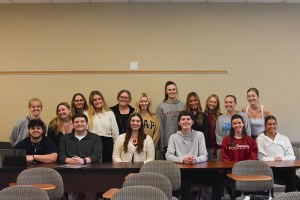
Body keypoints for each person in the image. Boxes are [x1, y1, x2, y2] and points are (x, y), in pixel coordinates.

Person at [166, 111, 224, 200]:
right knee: (183, 184)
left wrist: (195, 160)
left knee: (219, 180)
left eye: (188, 119)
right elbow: (168, 156)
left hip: (199, 171)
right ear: (179, 123)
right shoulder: (173, 137)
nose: (186, 121)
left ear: (192, 122)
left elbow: (204, 155)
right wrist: (183, 160)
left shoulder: (199, 135)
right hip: (183, 172)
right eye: (183, 119)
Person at [58, 113, 102, 200]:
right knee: (70, 192)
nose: (79, 123)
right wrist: (69, 160)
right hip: (70, 172)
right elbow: (61, 155)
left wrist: (83, 161)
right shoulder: (65, 138)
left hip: (90, 172)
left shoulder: (95, 138)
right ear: (73, 124)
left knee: (90, 193)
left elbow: (97, 156)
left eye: (82, 121)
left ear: (86, 123)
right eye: (76, 122)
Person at [256, 115, 300, 192]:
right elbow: (261, 158)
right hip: (270, 170)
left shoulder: (284, 138)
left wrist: (281, 159)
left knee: (292, 174)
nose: (272, 126)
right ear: (265, 126)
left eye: (274, 124)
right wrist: (274, 160)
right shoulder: (260, 139)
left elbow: (292, 156)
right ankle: (289, 196)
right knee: (293, 178)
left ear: (276, 125)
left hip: (285, 168)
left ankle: (289, 196)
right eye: (269, 124)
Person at [85, 90, 119, 162]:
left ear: (102, 100)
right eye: (95, 100)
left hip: (107, 142)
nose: (98, 101)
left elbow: (115, 132)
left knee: (107, 165)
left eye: (99, 99)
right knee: (93, 165)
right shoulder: (86, 114)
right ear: (91, 102)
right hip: (92, 142)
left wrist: (116, 148)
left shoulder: (109, 113)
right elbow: (84, 132)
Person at [156, 81, 185, 154]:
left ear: (176, 90)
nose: (172, 91)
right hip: (167, 142)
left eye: (174, 89)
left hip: (182, 141)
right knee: (170, 165)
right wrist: (161, 145)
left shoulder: (183, 105)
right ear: (166, 92)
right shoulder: (161, 107)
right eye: (169, 90)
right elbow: (160, 127)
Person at [204, 94, 222, 161]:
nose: (212, 104)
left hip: (216, 147)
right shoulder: (203, 116)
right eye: (210, 101)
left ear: (217, 104)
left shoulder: (220, 117)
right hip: (205, 147)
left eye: (215, 102)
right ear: (207, 102)